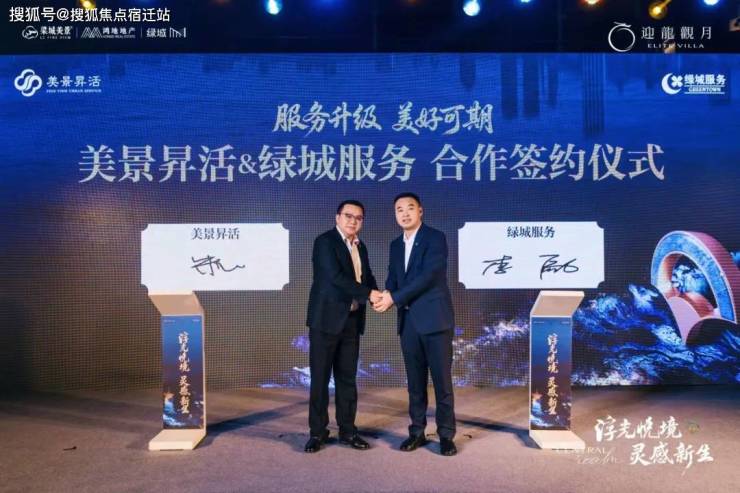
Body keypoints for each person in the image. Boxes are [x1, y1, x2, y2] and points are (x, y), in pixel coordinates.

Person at [373, 192, 457, 456]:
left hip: (435, 321)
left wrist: (394, 298)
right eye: (399, 210)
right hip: (409, 322)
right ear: (395, 215)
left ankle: (446, 436)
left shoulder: (435, 238)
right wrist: (386, 294)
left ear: (420, 211)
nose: (405, 213)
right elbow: (393, 277)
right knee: (415, 383)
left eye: (410, 208)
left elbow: (428, 277)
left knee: (442, 383)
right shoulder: (395, 245)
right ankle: (417, 432)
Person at [304, 199, 382, 453]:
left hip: (351, 321)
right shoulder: (324, 242)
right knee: (320, 380)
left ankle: (348, 431)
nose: (353, 221)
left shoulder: (361, 246)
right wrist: (369, 293)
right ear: (337, 217)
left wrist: (378, 295)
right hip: (325, 322)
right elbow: (334, 278)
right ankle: (318, 432)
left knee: (347, 380)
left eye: (358, 218)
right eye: (348, 216)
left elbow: (366, 277)